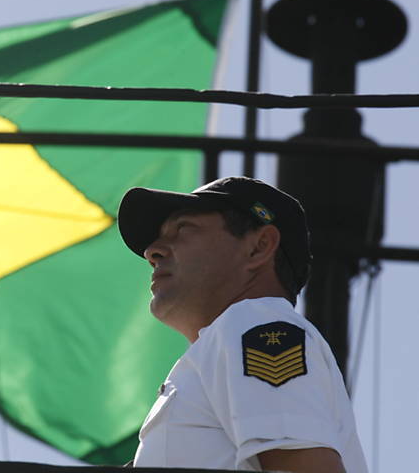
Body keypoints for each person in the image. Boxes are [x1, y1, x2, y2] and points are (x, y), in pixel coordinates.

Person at [116, 176, 367, 473]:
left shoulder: (254, 323)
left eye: (183, 228)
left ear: (259, 247)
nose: (152, 252)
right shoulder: (231, 338)